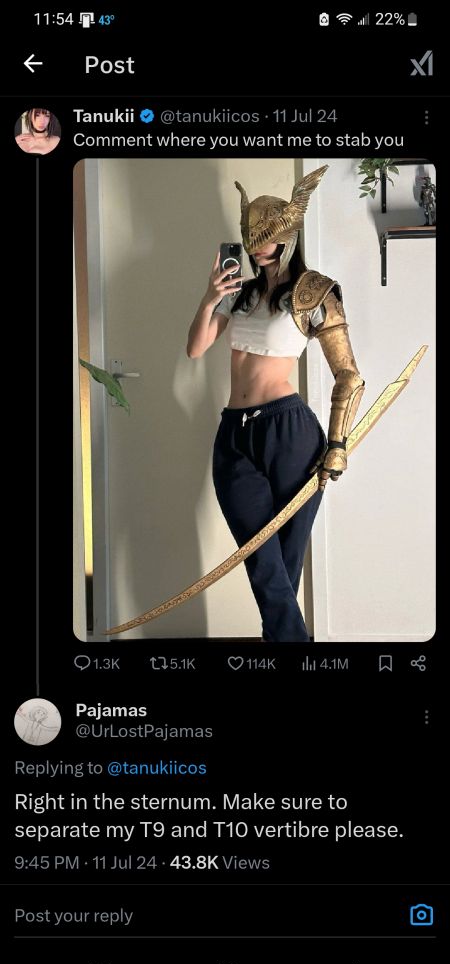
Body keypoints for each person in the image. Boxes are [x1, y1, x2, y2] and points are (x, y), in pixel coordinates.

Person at [187, 165, 365, 642]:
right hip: (234, 433)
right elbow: (195, 349)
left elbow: (349, 375)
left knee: (280, 567)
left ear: (288, 235)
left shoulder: (314, 293)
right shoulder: (241, 294)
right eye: (251, 240)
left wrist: (338, 444)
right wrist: (209, 297)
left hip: (290, 433)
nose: (257, 248)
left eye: (266, 239)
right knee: (263, 563)